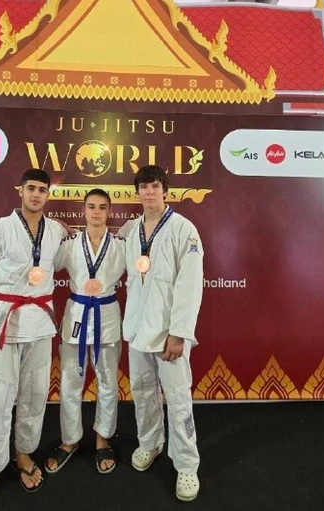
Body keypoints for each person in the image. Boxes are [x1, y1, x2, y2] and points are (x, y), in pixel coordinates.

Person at [0, 169, 67, 511]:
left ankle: (23, 453)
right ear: (20, 190)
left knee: (35, 395)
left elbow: (73, 256)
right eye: (31, 188)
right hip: (4, 321)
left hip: (41, 323)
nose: (36, 194)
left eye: (42, 190)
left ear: (48, 195)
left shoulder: (56, 231)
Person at [117, 165, 204, 501]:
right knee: (142, 392)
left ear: (165, 190)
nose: (149, 192)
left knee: (178, 398)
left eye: (154, 186)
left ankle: (186, 464)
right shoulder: (131, 230)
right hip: (138, 329)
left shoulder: (184, 229)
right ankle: (150, 443)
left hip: (169, 333)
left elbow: (190, 285)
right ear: (137, 192)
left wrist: (179, 333)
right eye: (143, 187)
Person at [45, 189, 126, 475]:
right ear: (84, 210)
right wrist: (56, 229)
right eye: (91, 206)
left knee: (108, 380)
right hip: (77, 314)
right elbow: (48, 262)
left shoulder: (121, 245)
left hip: (107, 314)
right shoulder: (69, 244)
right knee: (70, 381)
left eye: (102, 207)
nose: (96, 212)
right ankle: (70, 439)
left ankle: (103, 436)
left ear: (109, 211)